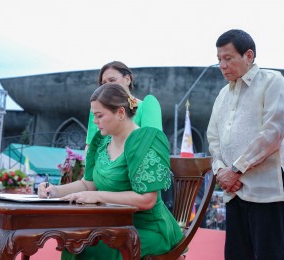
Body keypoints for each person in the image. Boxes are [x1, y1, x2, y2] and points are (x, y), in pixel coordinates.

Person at [38, 83, 183, 260]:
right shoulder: (101, 141)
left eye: (99, 116)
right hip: (113, 225)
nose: (95, 122)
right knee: (74, 242)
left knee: (95, 248)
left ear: (121, 113)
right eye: (94, 116)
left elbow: (147, 200)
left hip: (147, 228)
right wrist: (55, 191)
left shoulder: (145, 141)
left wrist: (100, 196)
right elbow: (88, 183)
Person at [207, 29, 284, 260]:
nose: (222, 65)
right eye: (219, 60)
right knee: (236, 255)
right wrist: (220, 171)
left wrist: (236, 169)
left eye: (228, 58)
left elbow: (273, 132)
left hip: (267, 190)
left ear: (248, 55)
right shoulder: (222, 95)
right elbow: (213, 138)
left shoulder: (272, 81)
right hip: (233, 192)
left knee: (269, 255)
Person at [85, 61, 163, 150]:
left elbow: (153, 147)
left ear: (127, 79)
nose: (107, 86)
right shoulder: (96, 109)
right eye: (104, 83)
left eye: (112, 80)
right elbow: (90, 146)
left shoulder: (146, 107)